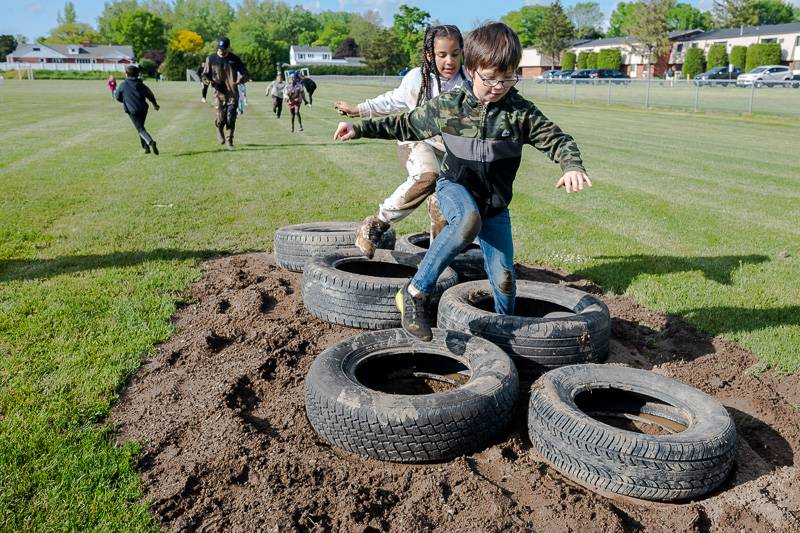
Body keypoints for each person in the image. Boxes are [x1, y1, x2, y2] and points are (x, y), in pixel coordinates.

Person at [333, 22, 591, 341]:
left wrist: (571, 166)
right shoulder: (450, 106)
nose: (497, 86)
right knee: (466, 220)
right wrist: (359, 128)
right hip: (454, 187)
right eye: (489, 78)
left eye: (507, 78)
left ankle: (502, 332)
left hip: (494, 207)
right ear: (471, 70)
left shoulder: (519, 113)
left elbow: (558, 139)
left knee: (505, 278)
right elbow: (404, 123)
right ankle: (414, 292)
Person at [334, 25, 468, 258]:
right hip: (415, 142)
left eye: (455, 54)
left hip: (450, 152)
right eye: (442, 55)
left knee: (442, 201)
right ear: (429, 55)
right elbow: (392, 100)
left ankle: (436, 259)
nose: (450, 61)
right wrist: (358, 110)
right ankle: (375, 224)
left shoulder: (468, 82)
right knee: (429, 175)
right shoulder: (417, 78)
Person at [202, 36, 249, 150]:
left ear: (228, 48)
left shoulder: (234, 59)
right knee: (221, 118)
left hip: (232, 93)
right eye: (219, 48)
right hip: (218, 93)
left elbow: (245, 73)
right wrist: (209, 81)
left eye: (223, 49)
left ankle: (229, 140)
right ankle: (219, 129)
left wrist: (240, 79)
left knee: (231, 117)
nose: (221, 51)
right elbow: (205, 75)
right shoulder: (211, 58)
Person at [115, 64, 160, 155]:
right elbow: (150, 94)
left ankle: (151, 142)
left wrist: (125, 101)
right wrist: (155, 104)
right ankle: (146, 148)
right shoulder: (140, 84)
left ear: (126, 75)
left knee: (140, 129)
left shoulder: (123, 84)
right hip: (143, 109)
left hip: (132, 110)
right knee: (141, 127)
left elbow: (117, 97)